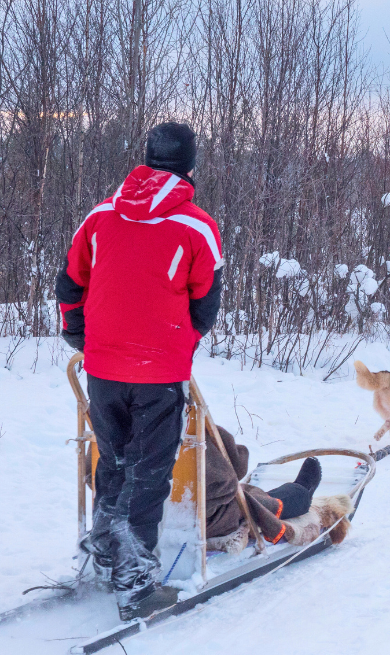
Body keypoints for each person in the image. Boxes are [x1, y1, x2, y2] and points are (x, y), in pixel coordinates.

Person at [55, 122, 224, 621]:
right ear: (190, 167)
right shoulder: (197, 226)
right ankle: (134, 582)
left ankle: (108, 548)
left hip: (103, 368)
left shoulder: (101, 215)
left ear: (147, 161)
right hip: (157, 372)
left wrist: (79, 336)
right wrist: (179, 346)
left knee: (114, 460)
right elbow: (205, 307)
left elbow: (70, 283)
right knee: (149, 475)